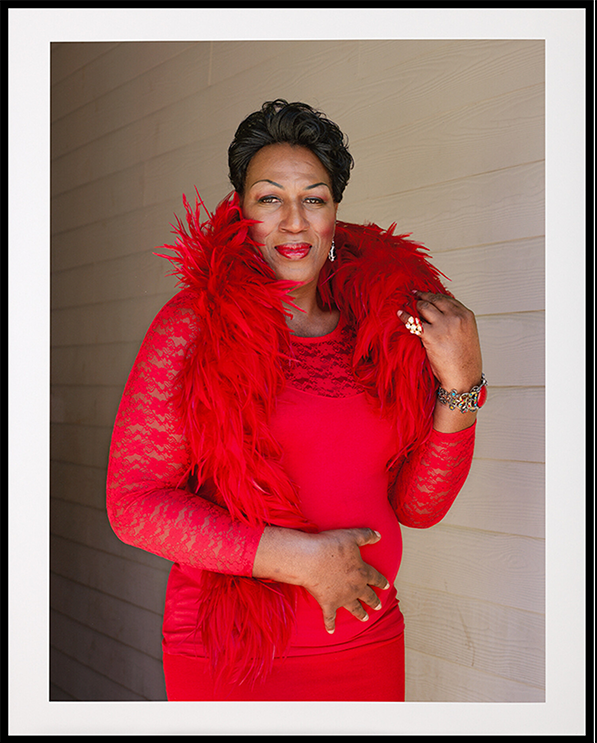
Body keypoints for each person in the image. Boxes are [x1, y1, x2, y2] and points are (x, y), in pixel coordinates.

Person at [105, 100, 486, 700]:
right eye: (269, 199)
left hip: (368, 641)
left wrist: (462, 383)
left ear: (335, 214)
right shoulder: (193, 325)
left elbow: (418, 507)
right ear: (240, 212)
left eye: (314, 198)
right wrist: (298, 559)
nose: (293, 222)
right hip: (231, 657)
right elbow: (133, 504)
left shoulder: (383, 330)